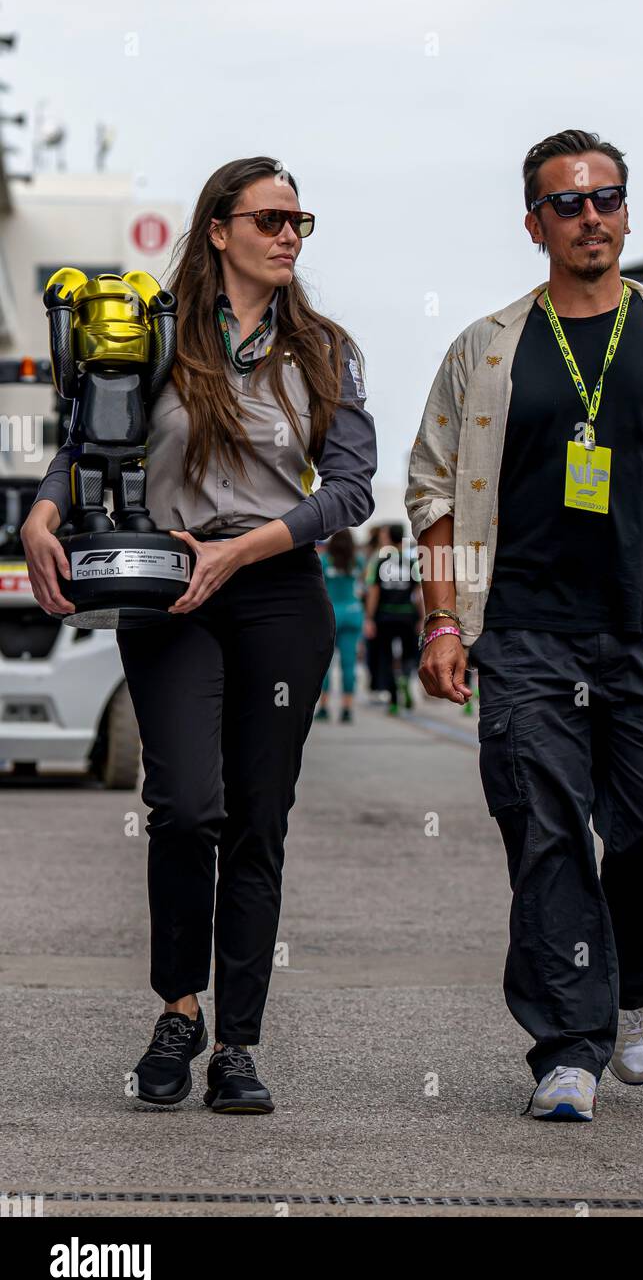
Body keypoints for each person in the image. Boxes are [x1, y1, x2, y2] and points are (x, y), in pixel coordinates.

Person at [405, 128, 643, 1122]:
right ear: (534, 223)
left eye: (604, 198)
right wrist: (443, 618)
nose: (589, 217)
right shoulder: (484, 349)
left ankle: (628, 988)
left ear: (625, 210)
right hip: (523, 633)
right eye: (566, 203)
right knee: (545, 835)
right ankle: (565, 1048)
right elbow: (433, 491)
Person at [22, 156, 376, 1114]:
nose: (290, 235)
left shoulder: (326, 350)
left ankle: (240, 1045)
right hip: (168, 585)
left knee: (258, 821)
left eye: (301, 221)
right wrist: (43, 515)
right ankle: (178, 1011)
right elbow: (89, 442)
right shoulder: (157, 334)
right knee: (184, 806)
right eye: (270, 219)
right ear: (218, 229)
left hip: (275, 589)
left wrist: (249, 548)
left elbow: (349, 490)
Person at [364, 522, 423, 714]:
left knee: (386, 657)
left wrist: (369, 618)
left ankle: (393, 699)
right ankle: (405, 677)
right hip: (407, 614)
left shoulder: (379, 561)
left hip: (385, 615)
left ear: (388, 537)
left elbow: (373, 592)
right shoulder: (411, 562)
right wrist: (422, 618)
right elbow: (419, 593)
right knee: (408, 654)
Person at [317, 528, 367, 723]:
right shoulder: (358, 560)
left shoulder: (325, 561)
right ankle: (347, 707)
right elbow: (362, 585)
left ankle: (324, 705)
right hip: (353, 612)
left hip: (331, 614)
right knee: (349, 664)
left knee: (326, 664)